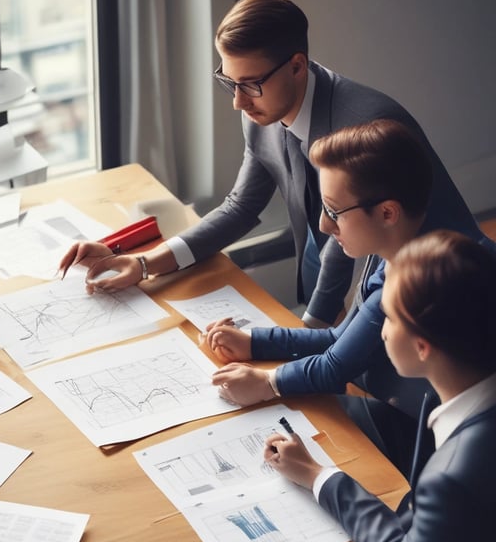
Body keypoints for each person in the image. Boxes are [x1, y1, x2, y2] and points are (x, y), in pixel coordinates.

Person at [58, 0, 481, 329]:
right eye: (228, 82)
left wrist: (309, 330)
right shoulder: (260, 114)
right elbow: (241, 206)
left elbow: (341, 242)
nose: (238, 102)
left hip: (440, 290)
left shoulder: (364, 127)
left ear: (297, 66)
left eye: (250, 84)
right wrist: (146, 262)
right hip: (344, 285)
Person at [202, 119, 495, 477]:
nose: (324, 225)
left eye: (334, 210)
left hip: (426, 440)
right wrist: (255, 342)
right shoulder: (391, 248)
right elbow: (338, 339)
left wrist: (267, 383)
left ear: (387, 212)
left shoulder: (417, 279)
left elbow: (335, 367)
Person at [264, 230, 496, 542]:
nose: (382, 331)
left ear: (422, 346)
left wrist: (318, 476)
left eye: (388, 316)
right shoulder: (447, 394)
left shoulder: (453, 478)